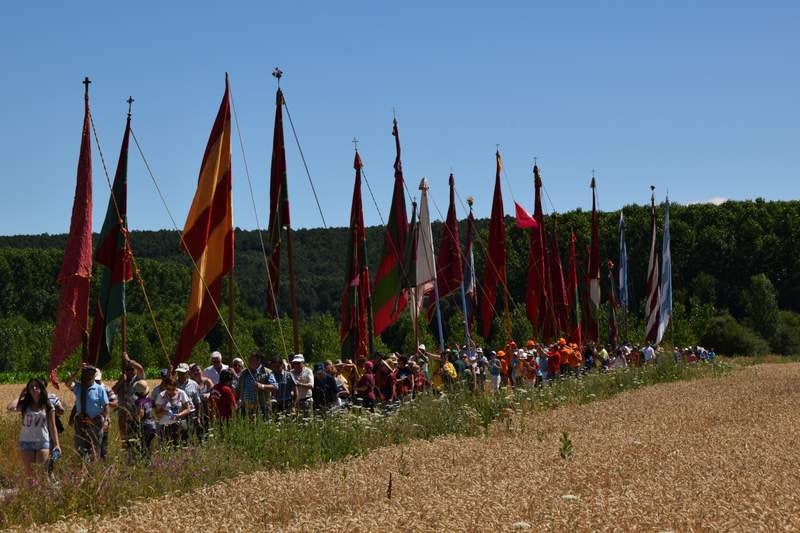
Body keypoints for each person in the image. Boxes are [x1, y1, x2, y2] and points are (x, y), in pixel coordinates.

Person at [10, 378, 61, 481]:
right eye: (31, 386)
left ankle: (43, 496)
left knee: (41, 473)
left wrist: (56, 444)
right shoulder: (25, 405)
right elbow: (11, 407)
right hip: (26, 442)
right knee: (30, 475)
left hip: (42, 442)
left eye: (37, 386)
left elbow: (52, 426)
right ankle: (31, 495)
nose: (34, 388)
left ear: (42, 389)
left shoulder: (48, 406)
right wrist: (21, 394)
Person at [72, 365, 110, 461]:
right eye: (86, 374)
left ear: (94, 376)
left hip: (95, 421)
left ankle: (93, 468)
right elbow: (67, 382)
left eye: (91, 374)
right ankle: (83, 467)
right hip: (81, 421)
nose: (89, 376)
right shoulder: (78, 387)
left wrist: (106, 420)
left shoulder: (99, 389)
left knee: (95, 446)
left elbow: (106, 405)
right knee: (80, 447)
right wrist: (78, 370)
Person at [112, 353, 144, 445]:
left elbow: (141, 368)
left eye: (131, 369)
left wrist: (129, 360)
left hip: (135, 412)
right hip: (123, 412)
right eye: (127, 369)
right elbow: (113, 391)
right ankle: (126, 451)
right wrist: (120, 381)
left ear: (135, 370)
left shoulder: (138, 379)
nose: (129, 371)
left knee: (135, 435)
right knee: (124, 436)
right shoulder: (123, 381)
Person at [238, 352, 277, 419]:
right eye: (249, 359)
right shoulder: (244, 373)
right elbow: (239, 388)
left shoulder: (267, 372)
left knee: (262, 427)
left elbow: (275, 387)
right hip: (246, 407)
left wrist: (262, 386)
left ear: (259, 360)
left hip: (262, 407)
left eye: (251, 359)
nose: (249, 360)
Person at [154, 377, 191, 445]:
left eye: (173, 389)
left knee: (182, 446)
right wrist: (166, 412)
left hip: (180, 424)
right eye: (168, 389)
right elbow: (157, 414)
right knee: (167, 447)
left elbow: (188, 409)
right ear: (165, 388)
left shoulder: (181, 393)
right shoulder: (161, 396)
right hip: (166, 425)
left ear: (176, 387)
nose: (171, 391)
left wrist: (180, 414)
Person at [93, 369, 118, 460]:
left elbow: (115, 402)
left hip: (104, 420)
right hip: (90, 421)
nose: (96, 381)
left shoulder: (106, 388)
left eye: (98, 380)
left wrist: (105, 403)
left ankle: (103, 462)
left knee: (103, 444)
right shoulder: (88, 389)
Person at [130, 380, 156, 463]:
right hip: (153, 426)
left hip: (144, 427)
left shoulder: (138, 402)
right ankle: (149, 462)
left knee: (143, 447)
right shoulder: (149, 400)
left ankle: (145, 463)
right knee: (148, 447)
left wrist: (134, 418)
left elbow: (140, 415)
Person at [175, 363, 202, 439]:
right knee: (179, 434)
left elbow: (197, 402)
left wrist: (198, 417)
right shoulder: (174, 384)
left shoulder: (193, 384)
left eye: (182, 373)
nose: (180, 375)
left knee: (190, 433)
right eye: (179, 373)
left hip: (191, 413)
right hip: (178, 413)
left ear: (187, 373)